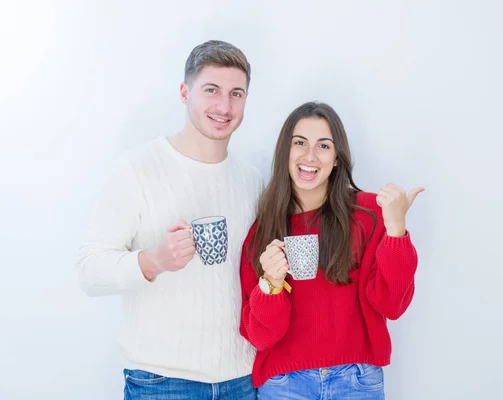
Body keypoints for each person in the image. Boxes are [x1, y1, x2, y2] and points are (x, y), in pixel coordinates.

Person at [76, 40, 262, 399]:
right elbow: (88, 270)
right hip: (161, 382)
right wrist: (153, 260)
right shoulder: (137, 169)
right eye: (212, 90)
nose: (224, 106)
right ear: (184, 92)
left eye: (236, 93)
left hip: (242, 379)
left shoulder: (251, 180)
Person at [239, 101, 423, 399]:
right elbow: (260, 337)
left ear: (337, 158)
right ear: (284, 151)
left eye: (324, 146)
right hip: (284, 384)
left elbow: (392, 304)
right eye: (299, 143)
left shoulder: (369, 214)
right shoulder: (263, 232)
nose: (309, 156)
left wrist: (396, 230)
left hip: (356, 379)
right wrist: (271, 285)